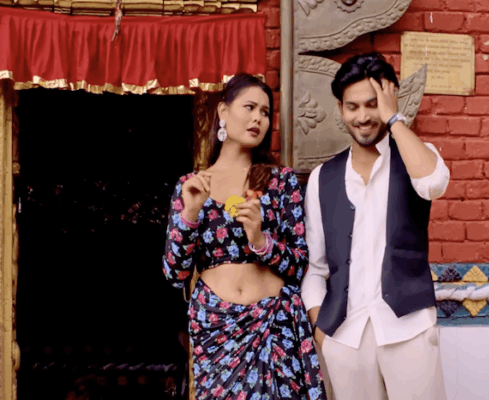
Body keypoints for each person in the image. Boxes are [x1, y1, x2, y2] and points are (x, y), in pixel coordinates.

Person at [163, 73, 326, 400]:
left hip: (274, 326)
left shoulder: (280, 182)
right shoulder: (192, 185)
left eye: (265, 112)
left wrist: (261, 241)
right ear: (223, 111)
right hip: (217, 331)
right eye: (249, 107)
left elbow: (299, 265)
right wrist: (190, 214)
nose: (258, 119)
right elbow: (175, 273)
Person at [301, 53, 450, 400]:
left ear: (388, 99)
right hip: (344, 336)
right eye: (352, 107)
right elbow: (315, 267)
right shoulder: (323, 178)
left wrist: (394, 118)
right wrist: (320, 325)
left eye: (372, 104)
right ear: (340, 109)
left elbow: (434, 183)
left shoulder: (416, 156)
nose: (363, 117)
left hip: (408, 328)